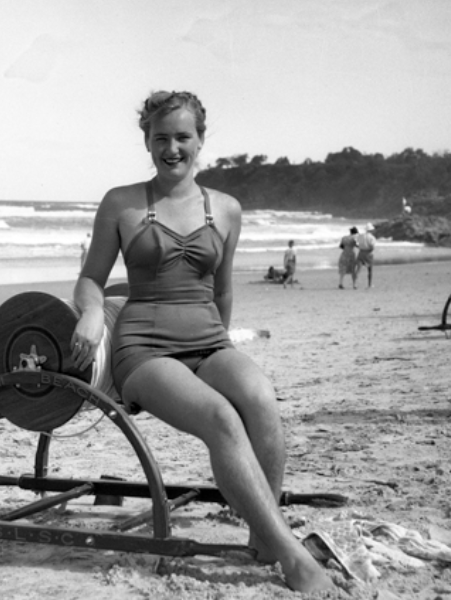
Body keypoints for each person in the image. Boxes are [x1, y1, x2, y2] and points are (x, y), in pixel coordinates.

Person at [64, 90, 339, 595]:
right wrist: (89, 312)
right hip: (144, 348)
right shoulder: (121, 203)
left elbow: (224, 289)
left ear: (201, 141)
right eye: (160, 138)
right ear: (146, 142)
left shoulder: (227, 209)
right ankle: (292, 558)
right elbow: (91, 279)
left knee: (259, 399)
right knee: (221, 418)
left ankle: (264, 537)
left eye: (182, 137)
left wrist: (225, 354)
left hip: (209, 341)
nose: (172, 148)